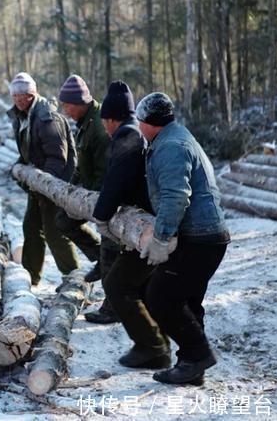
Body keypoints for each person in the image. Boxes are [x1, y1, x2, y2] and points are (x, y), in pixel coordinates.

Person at [136, 92, 230, 385]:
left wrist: (161, 239)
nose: (138, 126)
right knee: (187, 299)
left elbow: (175, 196)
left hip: (200, 237)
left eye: (140, 121)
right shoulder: (175, 136)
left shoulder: (171, 146)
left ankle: (197, 355)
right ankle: (191, 366)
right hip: (207, 235)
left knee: (159, 295)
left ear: (150, 122)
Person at [92, 81, 171, 370]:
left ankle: (153, 347)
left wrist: (101, 215)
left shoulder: (126, 137)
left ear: (111, 118)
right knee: (145, 286)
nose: (104, 127)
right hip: (150, 222)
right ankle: (157, 344)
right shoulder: (136, 134)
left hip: (146, 227)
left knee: (117, 284)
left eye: (104, 122)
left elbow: (114, 182)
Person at [57, 74, 120, 323]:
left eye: (67, 105)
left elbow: (108, 171)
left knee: (112, 249)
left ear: (81, 101)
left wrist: (101, 204)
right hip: (90, 194)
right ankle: (99, 259)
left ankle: (113, 307)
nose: (65, 110)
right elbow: (82, 166)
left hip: (107, 197)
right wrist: (70, 192)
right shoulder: (83, 122)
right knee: (63, 220)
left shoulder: (99, 125)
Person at [7, 72, 78, 285]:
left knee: (54, 231)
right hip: (39, 182)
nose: (19, 99)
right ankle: (30, 278)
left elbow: (59, 158)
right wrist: (19, 169)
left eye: (24, 95)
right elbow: (30, 150)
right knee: (31, 227)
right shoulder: (22, 116)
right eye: (15, 95)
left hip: (55, 182)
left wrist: (46, 187)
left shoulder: (47, 117)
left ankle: (74, 278)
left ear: (33, 93)